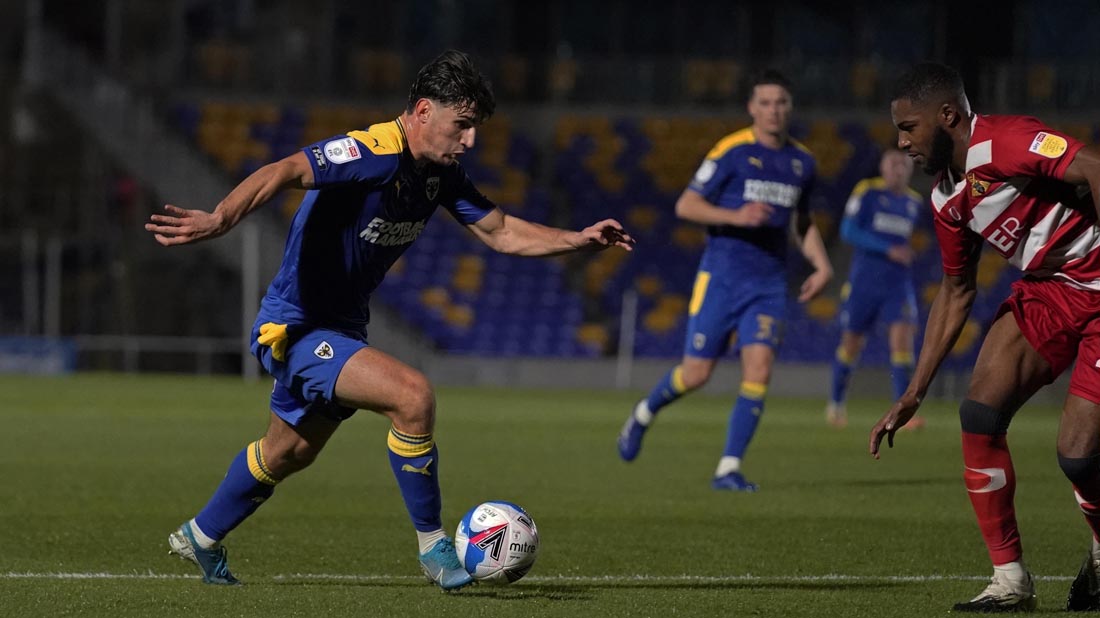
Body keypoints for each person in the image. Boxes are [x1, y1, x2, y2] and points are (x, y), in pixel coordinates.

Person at [145, 50, 634, 590]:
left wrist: (578, 240)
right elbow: (286, 169)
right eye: (462, 125)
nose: (470, 140)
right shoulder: (372, 151)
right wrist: (220, 217)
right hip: (296, 326)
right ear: (423, 111)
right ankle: (434, 548)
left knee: (287, 452)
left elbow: (500, 232)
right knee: (412, 396)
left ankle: (200, 537)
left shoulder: (440, 175)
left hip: (343, 328)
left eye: (475, 127)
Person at [869, 62, 1100, 612]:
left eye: (909, 128)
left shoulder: (1006, 141)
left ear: (948, 116)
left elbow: (1095, 165)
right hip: (1051, 291)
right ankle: (1010, 580)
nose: (902, 143)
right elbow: (956, 291)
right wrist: (914, 391)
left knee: (1077, 456)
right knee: (979, 413)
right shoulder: (946, 199)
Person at [616, 69, 832, 491]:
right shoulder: (731, 151)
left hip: (769, 284)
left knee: (760, 368)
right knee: (696, 374)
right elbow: (687, 205)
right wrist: (736, 216)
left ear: (790, 107)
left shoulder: (803, 163)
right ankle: (643, 413)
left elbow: (802, 221)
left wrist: (822, 266)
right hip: (723, 277)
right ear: (752, 107)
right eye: (765, 102)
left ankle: (727, 469)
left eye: (781, 102)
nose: (773, 110)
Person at [826, 149, 923, 429]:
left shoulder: (914, 202)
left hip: (898, 283)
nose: (898, 170)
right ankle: (836, 405)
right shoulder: (867, 191)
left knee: (903, 343)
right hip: (864, 282)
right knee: (851, 344)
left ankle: (902, 415)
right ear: (882, 168)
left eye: (903, 165)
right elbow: (848, 230)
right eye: (893, 165)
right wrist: (887, 249)